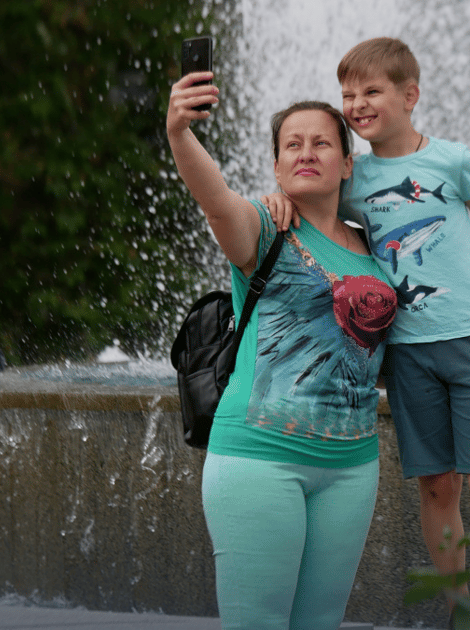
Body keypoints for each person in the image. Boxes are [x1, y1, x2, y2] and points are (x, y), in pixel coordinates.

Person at [265, 37, 470, 630]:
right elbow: (311, 198)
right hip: (406, 353)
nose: (357, 104)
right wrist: (276, 197)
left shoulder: (451, 160)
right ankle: (460, 610)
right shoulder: (354, 180)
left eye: (371, 91)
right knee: (437, 484)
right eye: (348, 95)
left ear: (409, 96)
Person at [166, 71, 398, 630]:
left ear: (348, 163)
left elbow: (384, 355)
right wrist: (179, 133)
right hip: (258, 458)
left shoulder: (377, 250)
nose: (306, 152)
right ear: (276, 165)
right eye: (292, 144)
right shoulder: (263, 228)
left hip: (351, 467)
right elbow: (213, 197)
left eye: (321, 142)